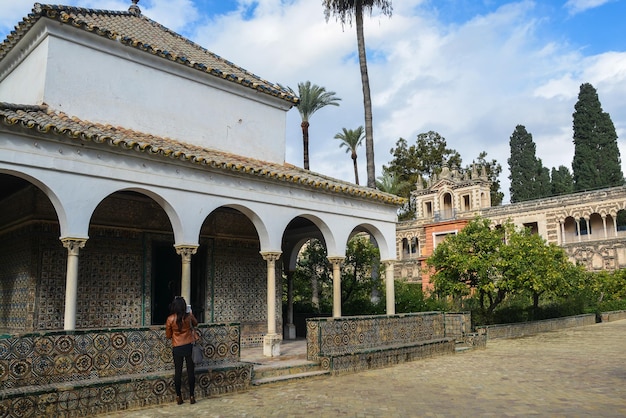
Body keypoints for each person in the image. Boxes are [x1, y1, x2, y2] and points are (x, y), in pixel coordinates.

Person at [165, 296, 198, 405]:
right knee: (190, 372)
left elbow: (168, 336)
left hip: (177, 346)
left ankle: (179, 396)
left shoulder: (170, 319)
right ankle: (192, 396)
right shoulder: (188, 317)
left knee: (178, 372)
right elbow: (196, 323)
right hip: (188, 345)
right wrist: (191, 313)